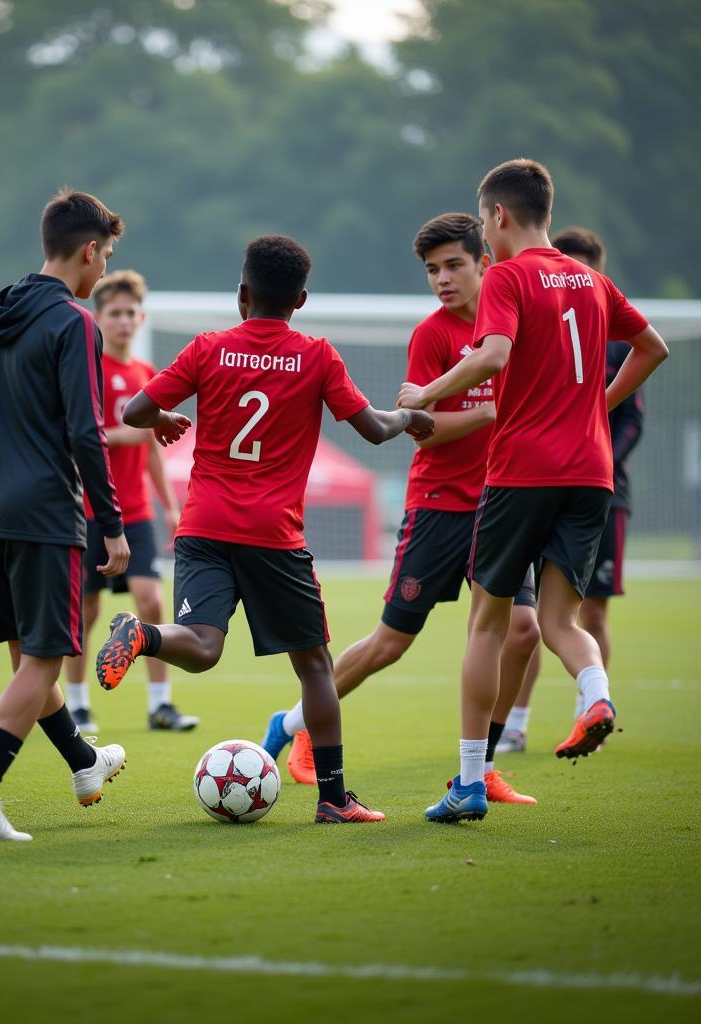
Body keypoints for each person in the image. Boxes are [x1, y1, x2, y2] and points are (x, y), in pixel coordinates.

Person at [95, 235, 435, 825]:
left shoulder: (207, 349)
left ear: (242, 294)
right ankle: (332, 799)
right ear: (300, 299)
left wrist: (168, 416)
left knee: (201, 648)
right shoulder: (317, 355)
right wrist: (412, 415)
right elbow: (376, 430)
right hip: (273, 536)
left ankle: (144, 635)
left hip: (204, 526)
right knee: (315, 668)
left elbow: (132, 413)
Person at [398, 159, 667, 823]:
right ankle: (594, 694)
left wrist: (421, 397)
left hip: (522, 470)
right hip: (591, 473)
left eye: (483, 223)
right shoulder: (594, 281)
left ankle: (468, 783)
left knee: (486, 622)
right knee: (559, 621)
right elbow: (654, 347)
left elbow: (491, 355)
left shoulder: (510, 276)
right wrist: (596, 407)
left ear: (498, 216)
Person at [260, 213, 540, 807]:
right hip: (439, 506)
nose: (442, 279)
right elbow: (422, 431)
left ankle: (480, 766)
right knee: (391, 643)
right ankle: (293, 726)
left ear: (485, 263)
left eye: (453, 265)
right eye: (432, 270)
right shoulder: (433, 335)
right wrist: (490, 413)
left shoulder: (511, 324)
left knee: (522, 629)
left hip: (503, 502)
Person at [0, 189, 132, 842]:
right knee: (44, 661)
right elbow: (86, 432)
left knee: (28, 657)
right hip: (44, 515)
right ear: (86, 250)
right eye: (103, 256)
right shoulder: (76, 323)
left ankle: (84, 764)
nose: (103, 268)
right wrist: (112, 523)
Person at [497, 226, 644, 754]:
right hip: (588, 482)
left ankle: (474, 768)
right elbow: (660, 347)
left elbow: (633, 421)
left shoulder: (610, 334)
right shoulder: (552, 313)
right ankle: (544, 712)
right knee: (547, 620)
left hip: (544, 478)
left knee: (509, 617)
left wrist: (593, 419)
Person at [63, 270, 198, 733]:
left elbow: (150, 448)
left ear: (140, 318)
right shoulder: (89, 368)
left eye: (129, 313)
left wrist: (169, 503)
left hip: (135, 511)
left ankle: (161, 703)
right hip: (88, 512)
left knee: (151, 602)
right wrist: (125, 432)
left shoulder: (146, 376)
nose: (123, 321)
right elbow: (82, 435)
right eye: (113, 313)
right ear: (98, 318)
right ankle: (77, 704)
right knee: (87, 610)